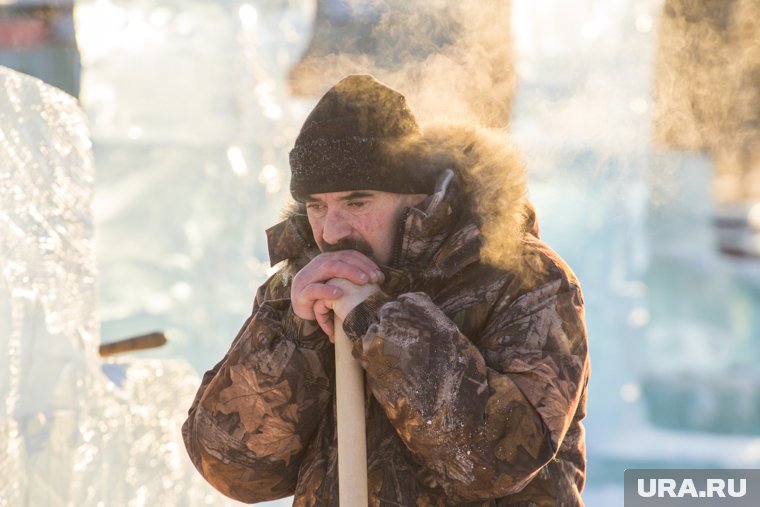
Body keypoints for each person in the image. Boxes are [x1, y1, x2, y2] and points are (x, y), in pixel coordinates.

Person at [182, 74, 590, 506]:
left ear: (415, 196)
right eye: (317, 206)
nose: (332, 231)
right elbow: (234, 470)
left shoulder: (525, 278)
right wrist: (292, 334)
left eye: (357, 203)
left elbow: (494, 461)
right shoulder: (299, 286)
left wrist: (378, 322)